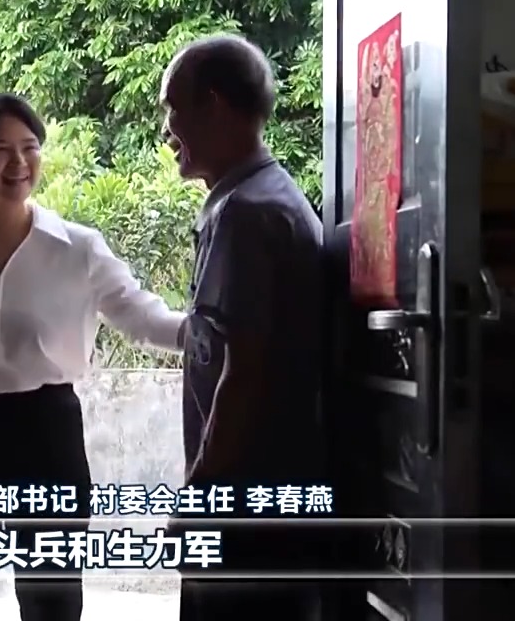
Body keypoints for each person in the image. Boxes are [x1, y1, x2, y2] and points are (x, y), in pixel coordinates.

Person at [0, 93, 187, 621]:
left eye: (29, 147)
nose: (18, 162)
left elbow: (139, 314)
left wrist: (210, 334)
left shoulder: (77, 247)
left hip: (46, 428)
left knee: (51, 594)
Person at [159, 34, 325, 620]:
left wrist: (200, 491)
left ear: (215, 106)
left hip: (246, 507)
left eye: (173, 109)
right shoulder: (263, 196)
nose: (167, 130)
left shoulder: (246, 214)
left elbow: (244, 371)